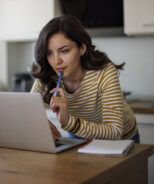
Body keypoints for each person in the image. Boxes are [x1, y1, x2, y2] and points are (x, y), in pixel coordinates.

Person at [30, 15, 139, 143]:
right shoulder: (48, 75)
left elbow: (114, 131)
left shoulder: (104, 72)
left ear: (82, 48)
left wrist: (68, 122)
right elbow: (27, 111)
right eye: (49, 53)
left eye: (64, 51)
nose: (56, 61)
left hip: (121, 139)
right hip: (79, 134)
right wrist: (40, 122)